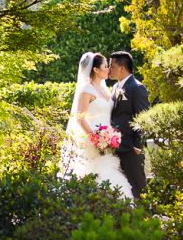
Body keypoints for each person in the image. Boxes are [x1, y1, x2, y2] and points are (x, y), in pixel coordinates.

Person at [60, 52, 133, 199]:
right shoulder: (86, 90)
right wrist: (94, 138)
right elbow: (80, 118)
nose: (109, 69)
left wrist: (110, 137)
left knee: (108, 171)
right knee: (93, 173)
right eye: (105, 66)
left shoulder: (106, 89)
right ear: (96, 70)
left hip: (108, 139)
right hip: (92, 138)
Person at [108, 51, 150, 198]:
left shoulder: (137, 87)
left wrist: (138, 145)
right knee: (122, 187)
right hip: (116, 146)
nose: (109, 69)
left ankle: (146, 216)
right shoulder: (114, 87)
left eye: (112, 66)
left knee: (137, 186)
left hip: (131, 148)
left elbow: (143, 117)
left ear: (122, 68)